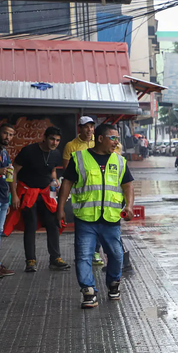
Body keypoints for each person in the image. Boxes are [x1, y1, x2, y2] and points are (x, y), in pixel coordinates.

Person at [56, 123, 134, 309]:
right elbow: (67, 184)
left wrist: (130, 206)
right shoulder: (79, 158)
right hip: (86, 219)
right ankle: (88, 291)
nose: (116, 142)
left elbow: (128, 185)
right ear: (100, 138)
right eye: (112, 138)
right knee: (83, 256)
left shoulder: (120, 161)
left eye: (117, 138)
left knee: (116, 255)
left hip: (111, 219)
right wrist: (60, 209)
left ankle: (113, 283)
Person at [10, 126, 69, 272]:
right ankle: (30, 260)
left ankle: (55, 258)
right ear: (44, 138)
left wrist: (54, 184)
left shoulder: (56, 154)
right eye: (52, 139)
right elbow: (13, 171)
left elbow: (53, 171)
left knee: (53, 223)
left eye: (57, 140)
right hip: (28, 192)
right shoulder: (29, 151)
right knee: (30, 225)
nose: (54, 143)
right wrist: (14, 195)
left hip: (45, 193)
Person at [63, 116, 105, 266]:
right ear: (79, 128)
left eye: (92, 126)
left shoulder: (99, 142)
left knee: (101, 222)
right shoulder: (71, 146)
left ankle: (95, 252)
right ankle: (81, 255)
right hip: (82, 194)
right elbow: (69, 173)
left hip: (100, 192)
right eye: (86, 126)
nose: (89, 130)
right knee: (83, 225)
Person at [0, 123, 16, 277]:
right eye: (5, 133)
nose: (8, 137)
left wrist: (10, 198)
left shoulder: (4, 152)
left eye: (11, 135)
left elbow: (8, 175)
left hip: (3, 197)